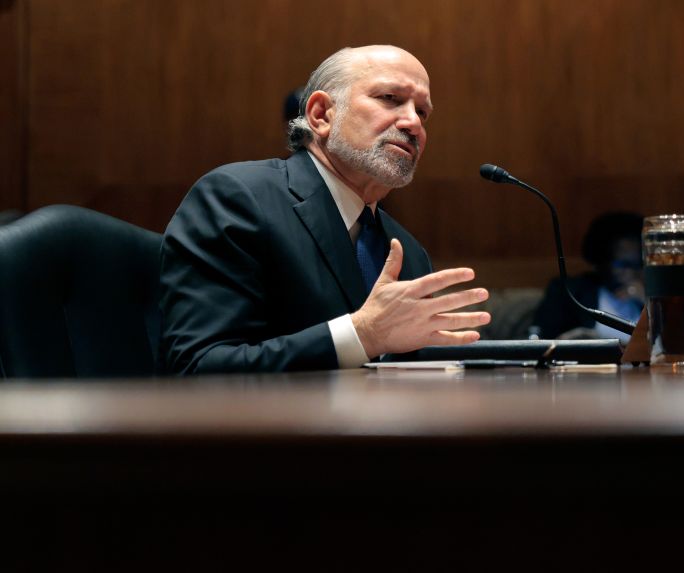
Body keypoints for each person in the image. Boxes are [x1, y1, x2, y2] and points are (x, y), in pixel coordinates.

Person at [159, 45, 491, 374]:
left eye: (422, 112)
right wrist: (362, 335)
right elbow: (198, 367)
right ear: (321, 114)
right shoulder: (239, 199)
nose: (412, 123)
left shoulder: (408, 253)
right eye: (390, 98)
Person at [530, 212, 644, 344]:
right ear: (602, 261)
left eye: (639, 264)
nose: (632, 272)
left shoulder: (651, 298)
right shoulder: (569, 292)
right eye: (623, 264)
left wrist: (646, 300)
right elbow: (541, 339)